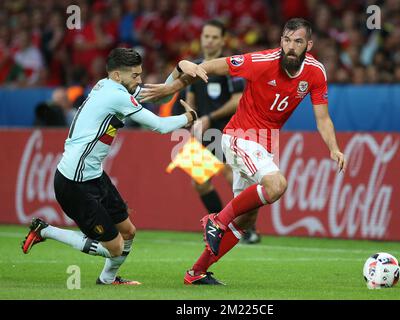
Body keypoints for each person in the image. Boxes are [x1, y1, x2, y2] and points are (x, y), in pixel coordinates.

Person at [140, 18, 347, 285]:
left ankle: (196, 272)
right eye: (286, 40)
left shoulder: (316, 73)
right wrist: (172, 87)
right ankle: (216, 220)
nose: (290, 47)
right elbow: (211, 67)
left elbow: (323, 119)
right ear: (280, 41)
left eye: (297, 41)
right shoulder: (261, 61)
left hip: (264, 143)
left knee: (247, 218)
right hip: (238, 136)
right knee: (275, 185)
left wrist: (334, 148)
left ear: (309, 44)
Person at [22, 48, 205, 285]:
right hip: (74, 183)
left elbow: (156, 96)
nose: (139, 80)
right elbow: (159, 126)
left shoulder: (112, 86)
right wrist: (189, 118)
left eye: (140, 74)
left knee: (128, 232)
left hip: (94, 176)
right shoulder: (116, 96)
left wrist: (178, 69)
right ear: (118, 75)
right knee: (115, 248)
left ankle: (108, 280)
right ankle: (45, 230)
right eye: (135, 76)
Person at [182, 19, 261, 244]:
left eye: (214, 37)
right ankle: (220, 225)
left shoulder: (231, 68)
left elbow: (238, 100)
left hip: (229, 131)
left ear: (222, 40)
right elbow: (191, 100)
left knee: (231, 175)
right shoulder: (194, 68)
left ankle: (249, 229)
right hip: (203, 133)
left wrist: (209, 118)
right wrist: (192, 119)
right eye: (206, 36)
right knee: (199, 182)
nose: (209, 41)